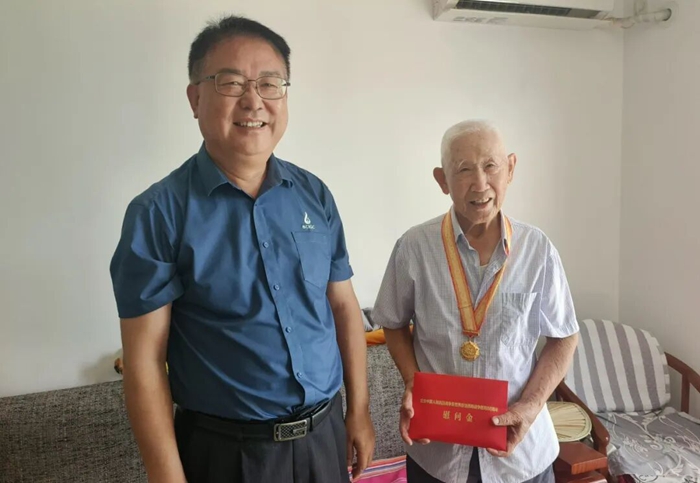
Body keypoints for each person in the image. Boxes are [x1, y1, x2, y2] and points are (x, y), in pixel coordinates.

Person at [110, 15, 374, 483]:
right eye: (231, 82)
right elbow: (144, 360)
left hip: (325, 436)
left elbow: (342, 307)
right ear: (195, 98)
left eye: (270, 84)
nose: (254, 101)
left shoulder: (314, 195)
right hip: (228, 454)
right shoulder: (158, 213)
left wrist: (359, 410)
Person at [371, 120, 580, 483]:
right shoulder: (414, 247)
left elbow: (564, 337)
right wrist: (413, 382)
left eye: (490, 166)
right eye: (464, 169)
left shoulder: (538, 250)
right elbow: (392, 323)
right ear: (442, 180)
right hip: (436, 454)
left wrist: (531, 407)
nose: (480, 184)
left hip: (520, 457)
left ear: (510, 168)